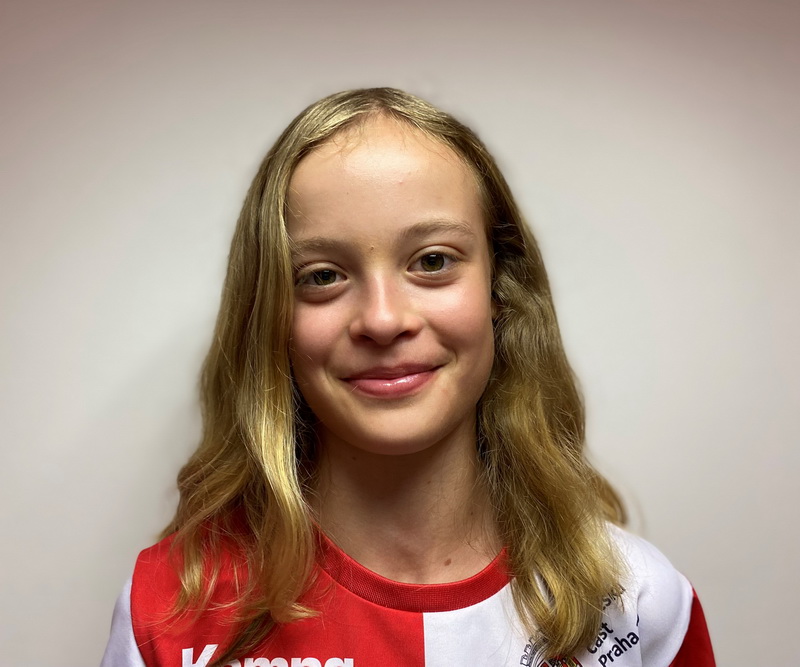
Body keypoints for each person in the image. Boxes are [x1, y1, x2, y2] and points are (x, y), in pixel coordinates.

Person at [100, 88, 715, 667]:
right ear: (268, 317)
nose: (383, 319)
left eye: (433, 261)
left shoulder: (638, 601)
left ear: (500, 290)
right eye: (322, 276)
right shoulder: (169, 610)